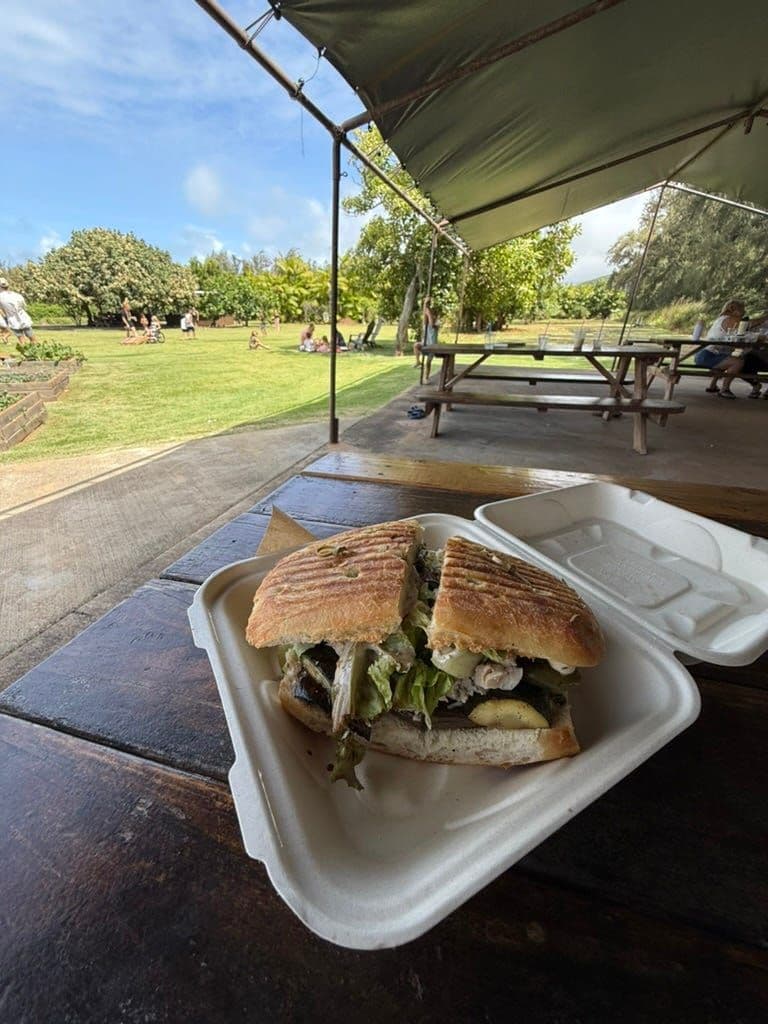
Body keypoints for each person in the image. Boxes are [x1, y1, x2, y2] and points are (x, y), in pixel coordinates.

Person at [694, 300, 752, 399]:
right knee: (737, 362)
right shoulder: (730, 319)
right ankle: (725, 389)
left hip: (705, 353)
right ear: (734, 309)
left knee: (728, 359)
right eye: (742, 309)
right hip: (707, 355)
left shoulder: (721, 319)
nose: (744, 312)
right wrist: (764, 318)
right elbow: (748, 324)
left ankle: (713, 385)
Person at [0, 277, 36, 343]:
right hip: (23, 318)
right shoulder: (17, 295)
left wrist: (5, 317)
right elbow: (24, 307)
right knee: (32, 338)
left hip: (12, 320)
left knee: (21, 339)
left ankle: (25, 352)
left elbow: (2, 310)